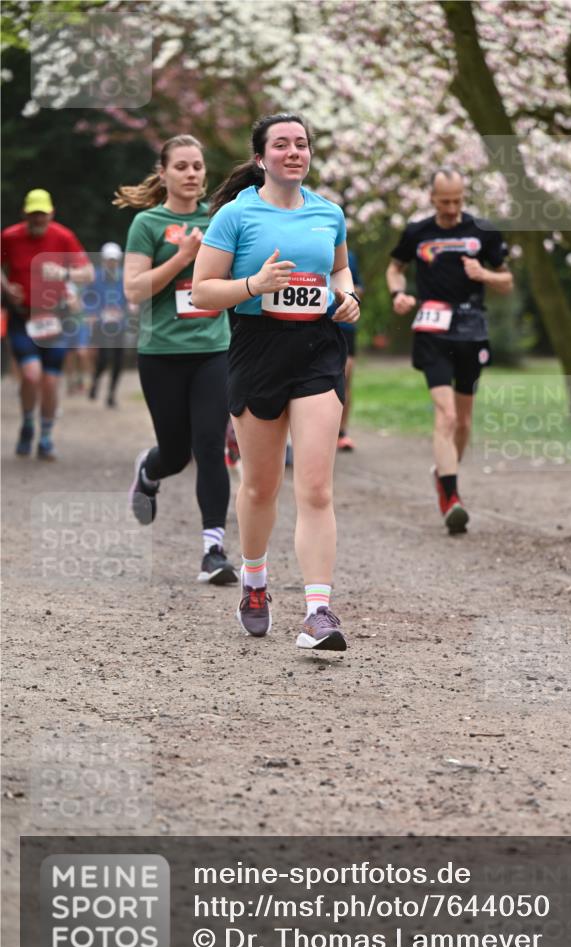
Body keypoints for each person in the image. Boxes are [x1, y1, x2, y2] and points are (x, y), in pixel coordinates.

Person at [192, 112, 360, 651]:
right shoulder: (235, 217)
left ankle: (318, 612)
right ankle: (256, 579)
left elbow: (339, 272)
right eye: (282, 144)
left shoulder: (328, 213)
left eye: (302, 144)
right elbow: (201, 292)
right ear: (261, 158)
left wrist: (348, 297)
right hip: (257, 350)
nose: (294, 152)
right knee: (261, 486)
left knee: (315, 487)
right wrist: (253, 283)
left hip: (317, 352)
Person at [116, 134, 238, 586]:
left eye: (197, 167)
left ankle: (213, 551)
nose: (191, 174)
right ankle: (150, 470)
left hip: (213, 349)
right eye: (181, 166)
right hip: (162, 353)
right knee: (176, 453)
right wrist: (182, 258)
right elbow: (133, 291)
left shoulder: (220, 219)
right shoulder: (148, 223)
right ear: (163, 172)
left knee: (211, 447)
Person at [386, 167, 513, 533]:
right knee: (446, 416)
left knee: (464, 421)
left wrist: (485, 275)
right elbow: (394, 269)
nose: (452, 208)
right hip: (432, 329)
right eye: (445, 202)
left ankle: (443, 473)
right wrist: (399, 294)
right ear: (432, 198)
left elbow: (507, 280)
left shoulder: (482, 231)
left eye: (457, 201)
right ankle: (452, 497)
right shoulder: (417, 232)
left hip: (472, 330)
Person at [1, 189, 93, 459]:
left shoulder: (63, 237)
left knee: (50, 382)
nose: (38, 219)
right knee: (30, 374)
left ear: (51, 213)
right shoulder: (10, 236)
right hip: (24, 317)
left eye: (42, 214)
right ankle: (28, 423)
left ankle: (46, 436)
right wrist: (7, 288)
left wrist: (65, 273)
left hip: (55, 319)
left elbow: (87, 272)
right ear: (25, 214)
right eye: (33, 214)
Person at [85, 241, 130, 408]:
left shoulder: (124, 276)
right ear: (103, 260)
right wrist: (94, 313)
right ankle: (95, 381)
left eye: (114, 260)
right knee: (103, 358)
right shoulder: (95, 277)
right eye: (109, 260)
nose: (112, 263)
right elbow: (88, 298)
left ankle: (112, 394)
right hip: (101, 323)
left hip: (120, 323)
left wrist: (128, 307)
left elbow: (130, 297)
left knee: (119, 360)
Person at [336, 248, 363, 451]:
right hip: (313, 323)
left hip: (344, 326)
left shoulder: (349, 255)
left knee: (344, 378)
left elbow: (358, 288)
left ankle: (341, 432)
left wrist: (349, 297)